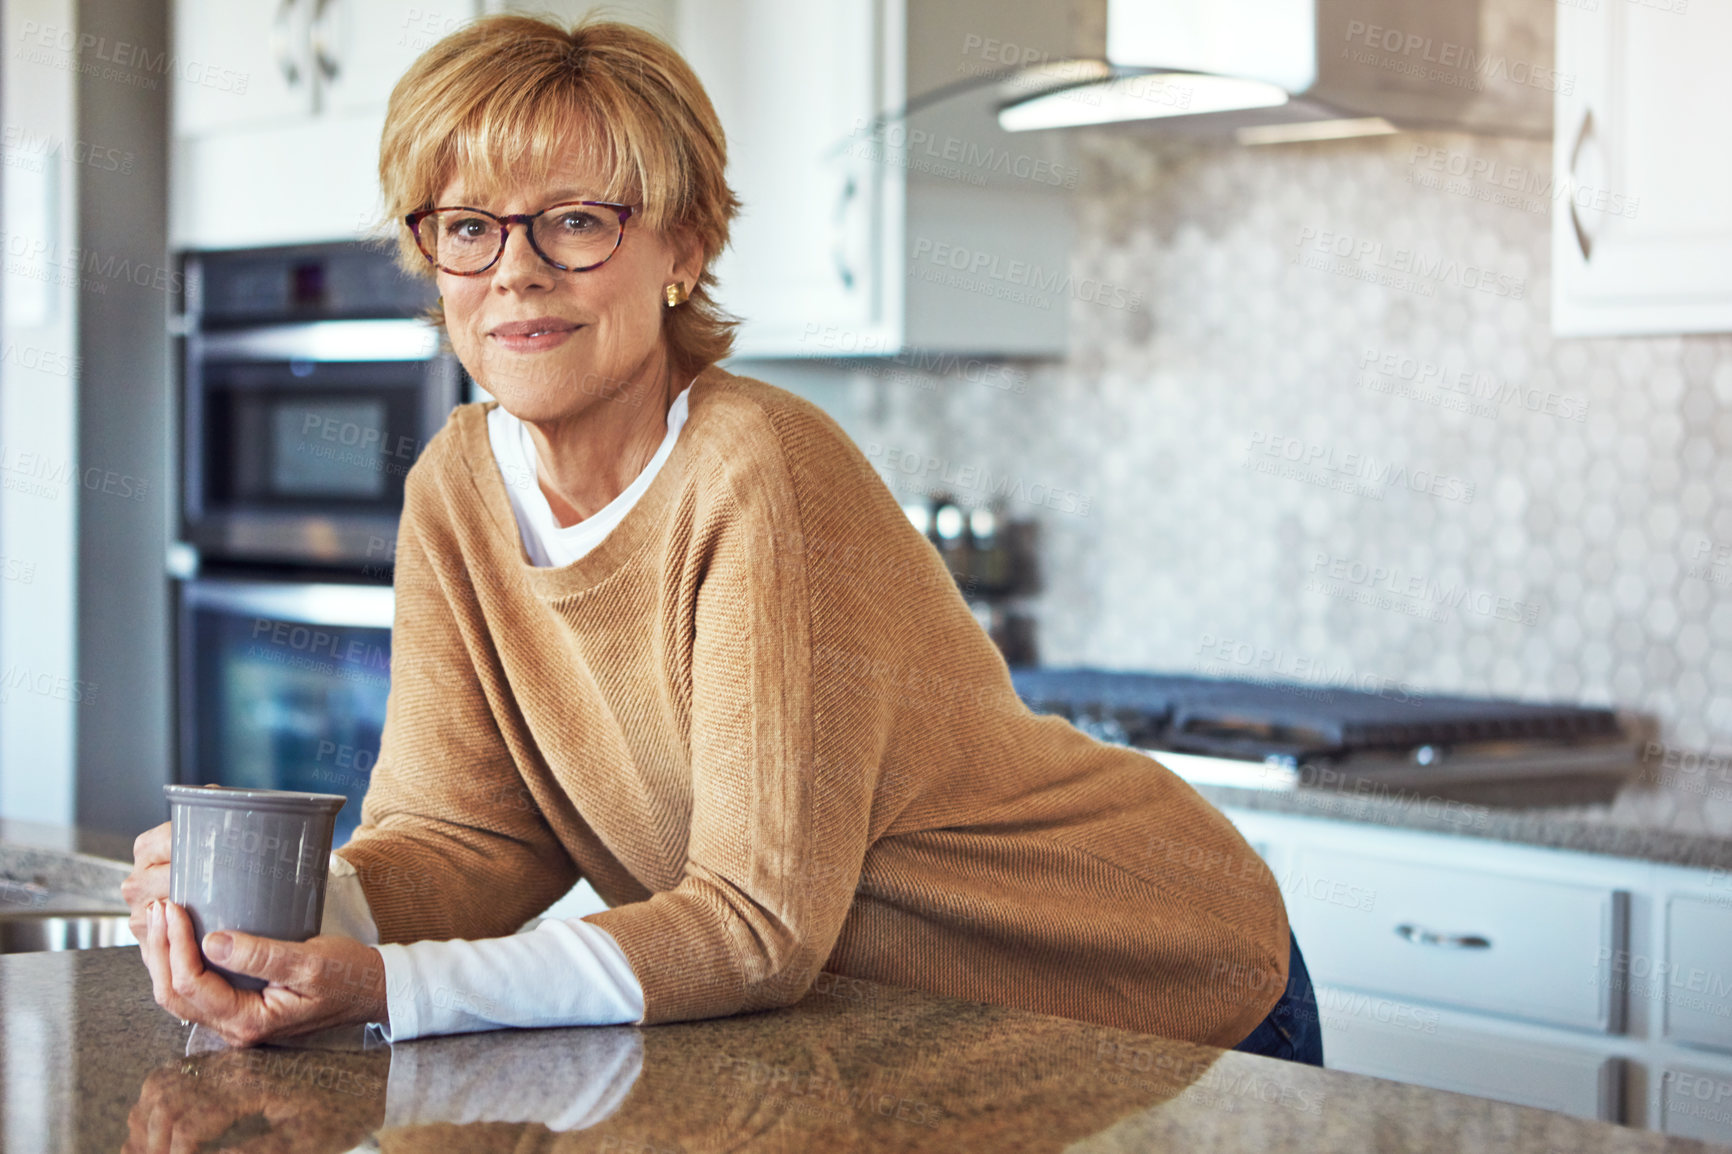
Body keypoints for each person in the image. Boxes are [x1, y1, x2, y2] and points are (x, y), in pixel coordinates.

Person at [123, 14, 1320, 1066]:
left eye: (577, 223)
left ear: (684, 248)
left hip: (1159, 988)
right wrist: (290, 915)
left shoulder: (761, 470)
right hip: (891, 1028)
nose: (517, 274)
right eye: (468, 228)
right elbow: (471, 837)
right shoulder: (454, 485)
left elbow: (752, 927)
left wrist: (395, 987)